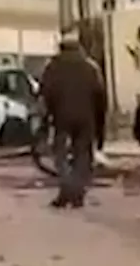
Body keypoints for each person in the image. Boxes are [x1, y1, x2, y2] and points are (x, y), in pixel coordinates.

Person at [39, 35, 107, 208]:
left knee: (60, 156)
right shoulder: (91, 68)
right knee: (83, 156)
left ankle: (67, 189)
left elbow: (45, 94)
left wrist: (45, 120)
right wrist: (100, 127)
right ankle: (76, 193)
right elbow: (101, 98)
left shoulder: (52, 67)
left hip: (62, 118)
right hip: (86, 119)